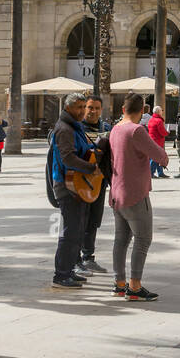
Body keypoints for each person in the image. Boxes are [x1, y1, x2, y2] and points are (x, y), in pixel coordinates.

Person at [109, 92, 168, 302]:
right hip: (134, 193)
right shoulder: (136, 131)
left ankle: (119, 283)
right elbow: (159, 155)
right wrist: (164, 158)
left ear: (123, 109)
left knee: (121, 240)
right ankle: (134, 286)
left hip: (116, 192)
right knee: (143, 239)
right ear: (143, 110)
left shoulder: (115, 130)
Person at [49, 91, 99, 290]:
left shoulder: (73, 127)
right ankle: (61, 274)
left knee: (77, 230)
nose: (82, 111)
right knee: (70, 232)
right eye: (79, 107)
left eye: (83, 107)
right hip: (67, 186)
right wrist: (90, 168)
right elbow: (68, 158)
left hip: (77, 185)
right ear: (68, 108)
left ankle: (68, 270)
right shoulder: (64, 129)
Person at [77, 95, 109, 274]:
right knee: (79, 219)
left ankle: (88, 257)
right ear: (84, 108)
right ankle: (75, 258)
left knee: (94, 220)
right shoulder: (77, 128)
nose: (93, 111)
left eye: (97, 108)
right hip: (79, 181)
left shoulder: (106, 129)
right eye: (90, 107)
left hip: (99, 182)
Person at [147, 105, 168, 179]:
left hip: (152, 140)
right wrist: (167, 133)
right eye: (161, 111)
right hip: (158, 141)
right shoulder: (159, 121)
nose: (162, 112)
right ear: (159, 112)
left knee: (158, 157)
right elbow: (162, 131)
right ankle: (151, 172)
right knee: (156, 157)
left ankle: (160, 172)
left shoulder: (151, 119)